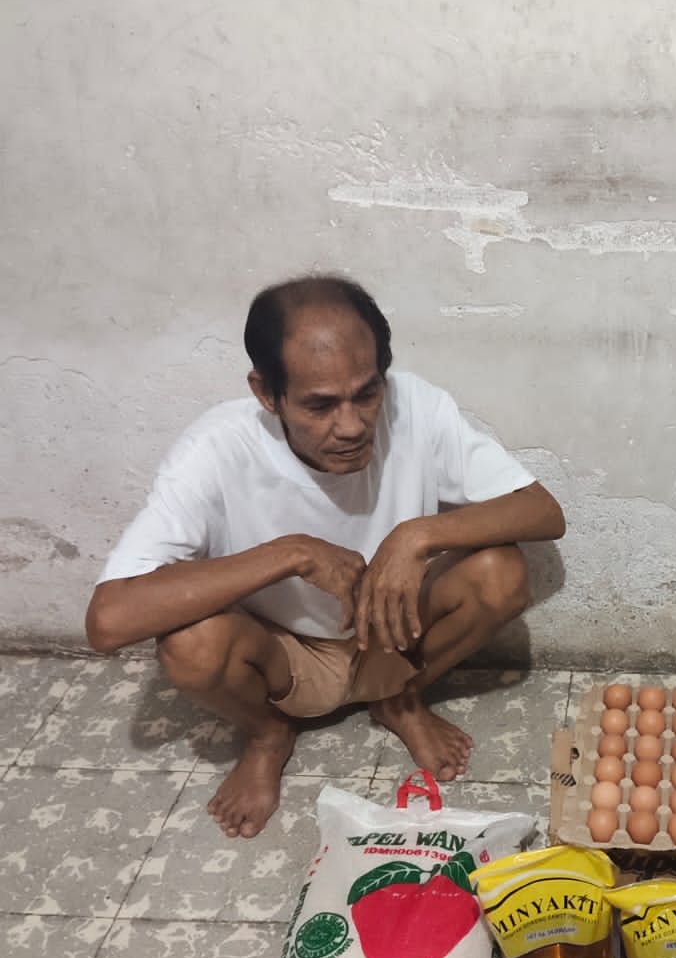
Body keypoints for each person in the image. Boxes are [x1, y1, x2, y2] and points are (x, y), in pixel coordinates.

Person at [85, 275, 566, 839]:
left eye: (366, 393)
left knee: (501, 573)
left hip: (392, 632)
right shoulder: (216, 448)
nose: (352, 425)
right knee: (191, 645)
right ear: (267, 394)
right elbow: (108, 622)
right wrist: (290, 553)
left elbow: (542, 511)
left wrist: (416, 536)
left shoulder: (416, 406)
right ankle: (268, 735)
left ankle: (401, 701)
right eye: (320, 405)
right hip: (285, 655)